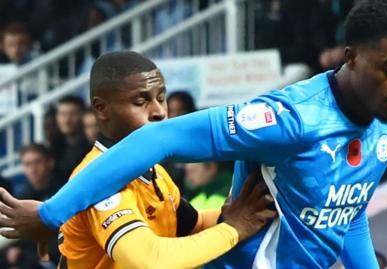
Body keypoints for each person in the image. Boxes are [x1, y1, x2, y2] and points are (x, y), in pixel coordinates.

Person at [0, 0, 387, 268]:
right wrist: (51, 214)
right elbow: (149, 257)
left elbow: (347, 213)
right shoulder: (289, 118)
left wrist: (225, 220)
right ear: (351, 58)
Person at [1, 51, 277, 268]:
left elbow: (191, 224)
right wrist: (234, 228)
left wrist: (253, 212)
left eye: (161, 97)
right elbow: (151, 261)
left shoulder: (152, 168)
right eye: (140, 101)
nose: (159, 112)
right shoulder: (99, 181)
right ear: (101, 109)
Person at [53, 96, 91, 183]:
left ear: (82, 116)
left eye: (72, 114)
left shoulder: (92, 144)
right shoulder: (54, 148)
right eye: (63, 114)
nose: (67, 120)